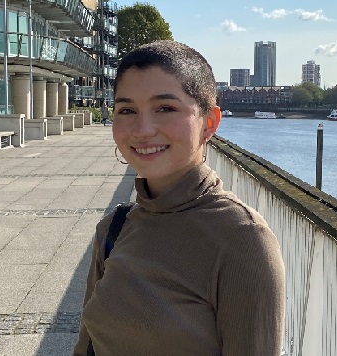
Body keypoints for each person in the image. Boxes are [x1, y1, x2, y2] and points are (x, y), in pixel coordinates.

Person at [73, 40, 285, 356]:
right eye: (127, 110)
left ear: (209, 123)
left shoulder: (242, 239)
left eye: (165, 108)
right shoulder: (114, 229)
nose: (142, 130)